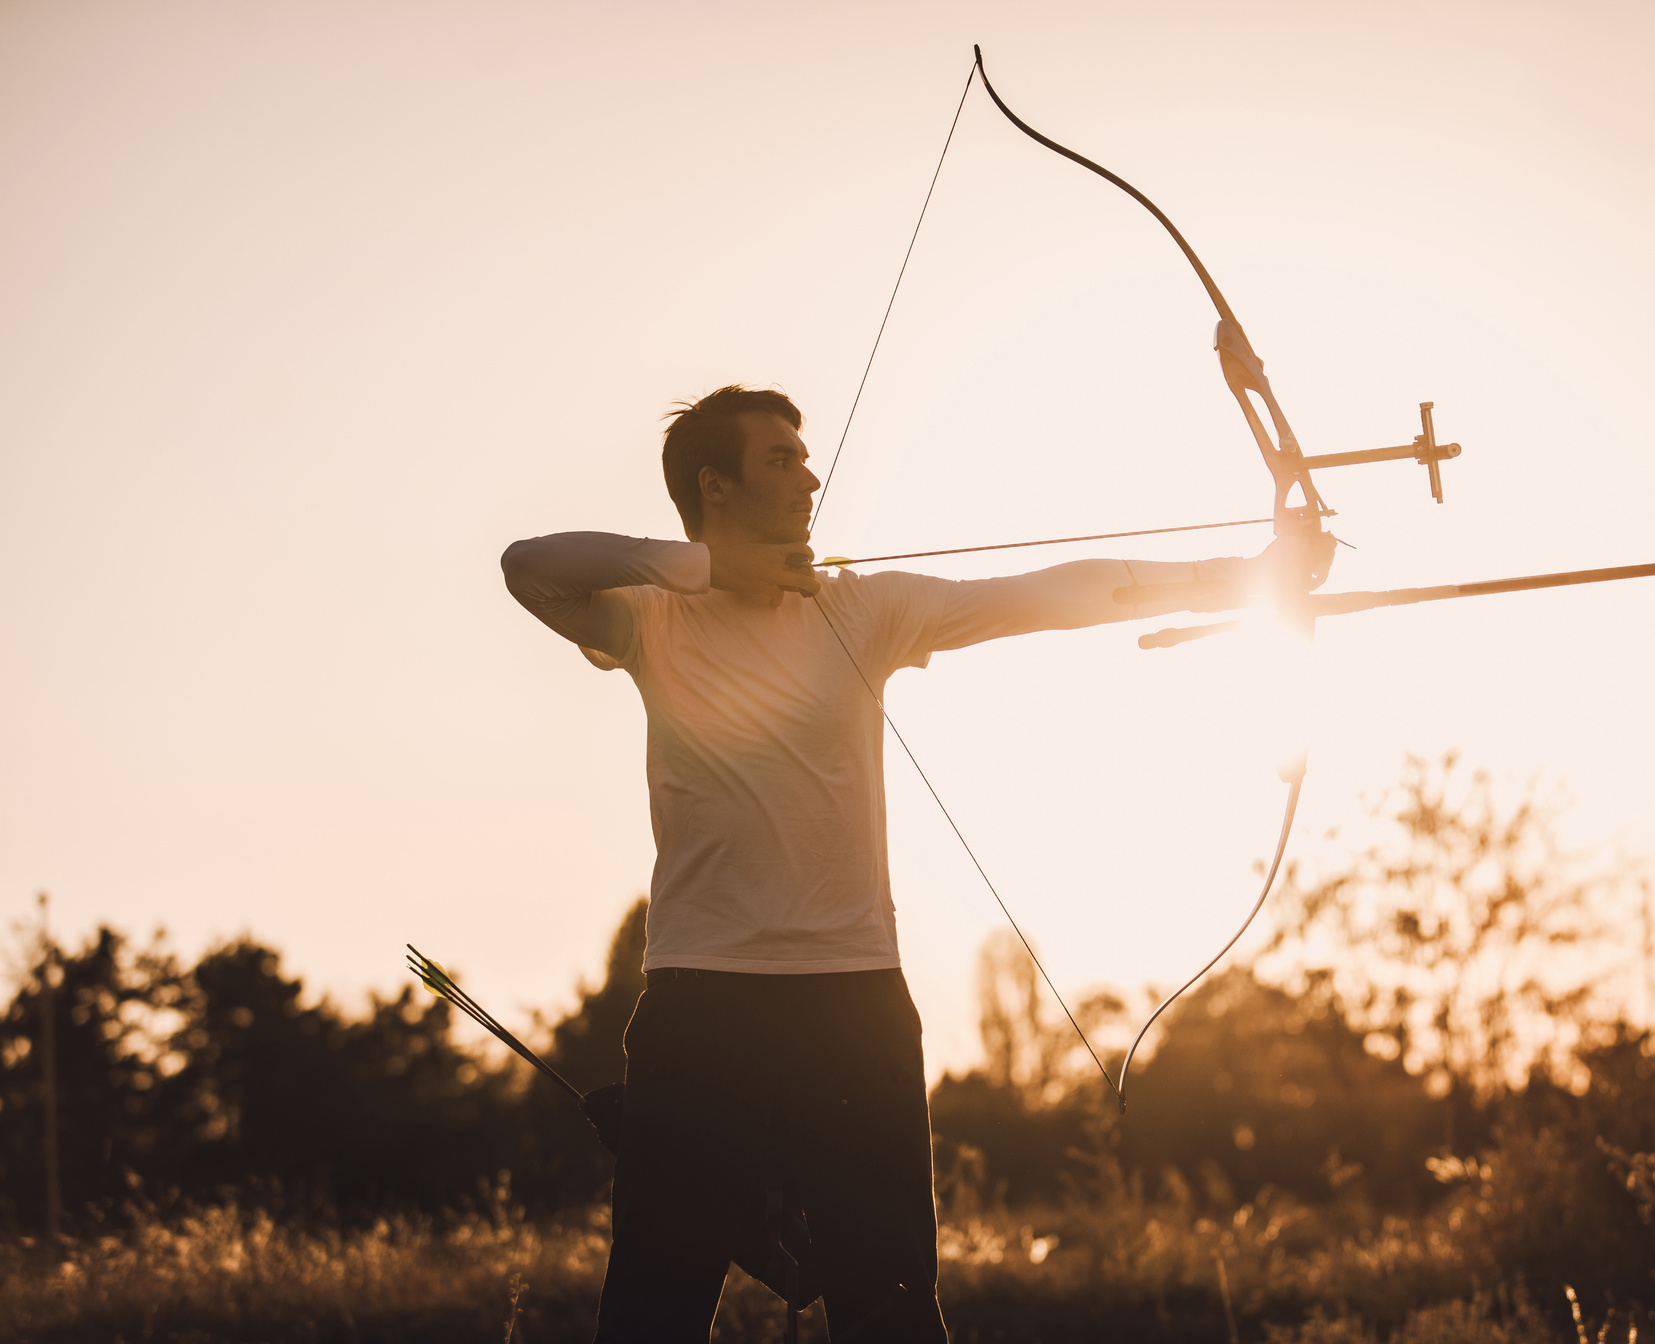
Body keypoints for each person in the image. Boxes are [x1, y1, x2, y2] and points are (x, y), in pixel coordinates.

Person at [501, 384, 1332, 1342]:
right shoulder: (651, 619)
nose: (810, 478)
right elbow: (528, 568)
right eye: (781, 460)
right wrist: (696, 566)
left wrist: (1249, 575)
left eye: (806, 459)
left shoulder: (864, 608)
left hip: (853, 1002)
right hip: (701, 1004)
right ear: (713, 487)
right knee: (654, 1308)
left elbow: (1047, 595)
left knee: (891, 1309)